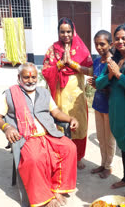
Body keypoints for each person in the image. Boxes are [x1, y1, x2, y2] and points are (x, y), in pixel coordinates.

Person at [0, 62, 79, 207]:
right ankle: (44, 198)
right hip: (26, 137)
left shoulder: (44, 92)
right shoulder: (9, 94)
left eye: (33, 77)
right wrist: (6, 127)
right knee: (34, 159)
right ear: (19, 77)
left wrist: (70, 118)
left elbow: (55, 112)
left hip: (48, 133)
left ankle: (58, 189)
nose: (30, 80)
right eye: (26, 77)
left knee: (69, 148)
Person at [96, 24, 125, 200]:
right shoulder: (113, 59)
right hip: (116, 111)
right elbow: (99, 84)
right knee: (124, 145)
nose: (120, 41)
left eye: (124, 38)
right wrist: (109, 74)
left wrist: (118, 75)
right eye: (117, 38)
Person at [42, 17, 93, 170]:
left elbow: (90, 71)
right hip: (59, 93)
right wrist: (60, 64)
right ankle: (63, 157)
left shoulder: (81, 48)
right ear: (58, 32)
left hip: (77, 92)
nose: (66, 35)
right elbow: (45, 71)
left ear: (73, 31)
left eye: (68, 31)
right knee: (61, 124)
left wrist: (72, 64)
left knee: (79, 123)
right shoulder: (53, 49)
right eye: (62, 32)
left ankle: (77, 158)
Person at [87, 30, 116, 179]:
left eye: (102, 44)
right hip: (98, 104)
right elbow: (97, 81)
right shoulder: (97, 61)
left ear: (110, 44)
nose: (99, 47)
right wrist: (94, 84)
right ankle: (103, 163)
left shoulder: (114, 62)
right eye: (96, 44)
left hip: (110, 106)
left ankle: (109, 166)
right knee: (101, 137)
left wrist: (100, 85)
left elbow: (114, 84)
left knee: (109, 138)